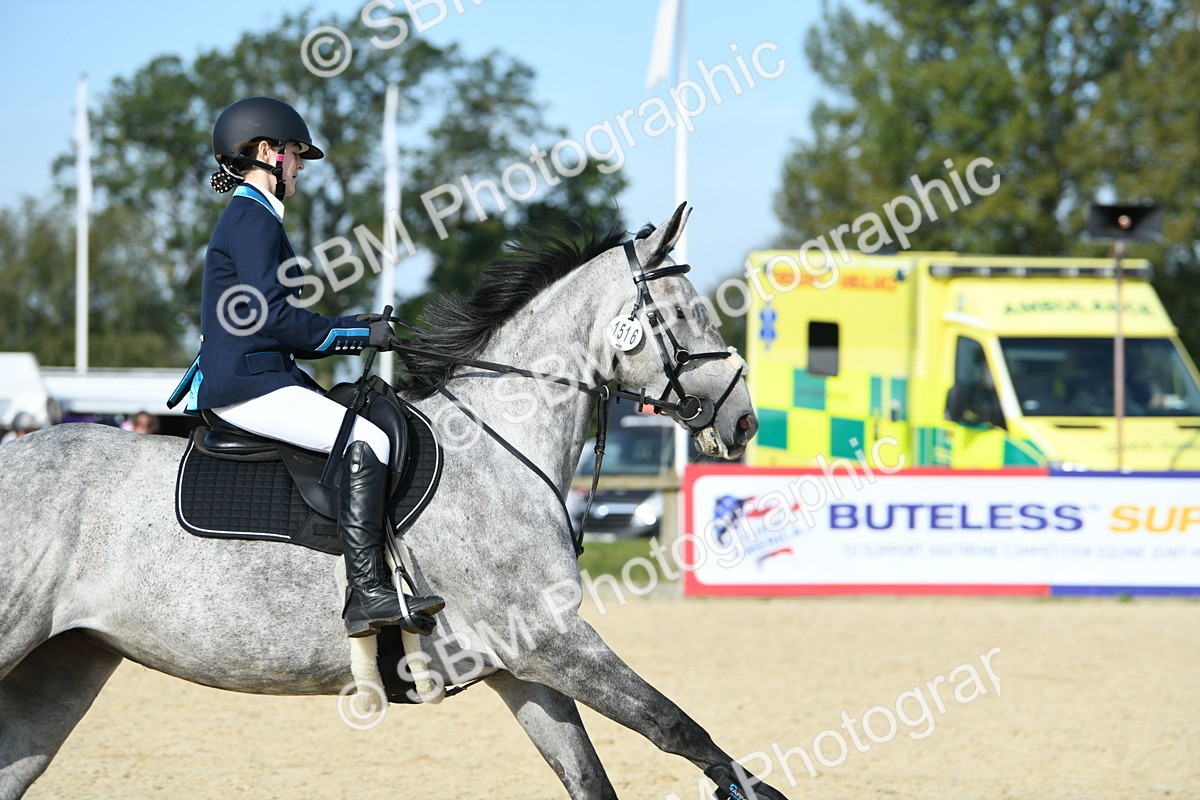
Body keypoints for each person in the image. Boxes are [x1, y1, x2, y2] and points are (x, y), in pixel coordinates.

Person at [184, 97, 443, 638]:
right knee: (369, 441)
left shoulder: (252, 216)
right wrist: (355, 333)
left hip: (257, 374)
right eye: (296, 154)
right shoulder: (253, 219)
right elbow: (274, 317)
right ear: (265, 153)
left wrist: (357, 324)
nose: (300, 166)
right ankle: (368, 592)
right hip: (247, 385)